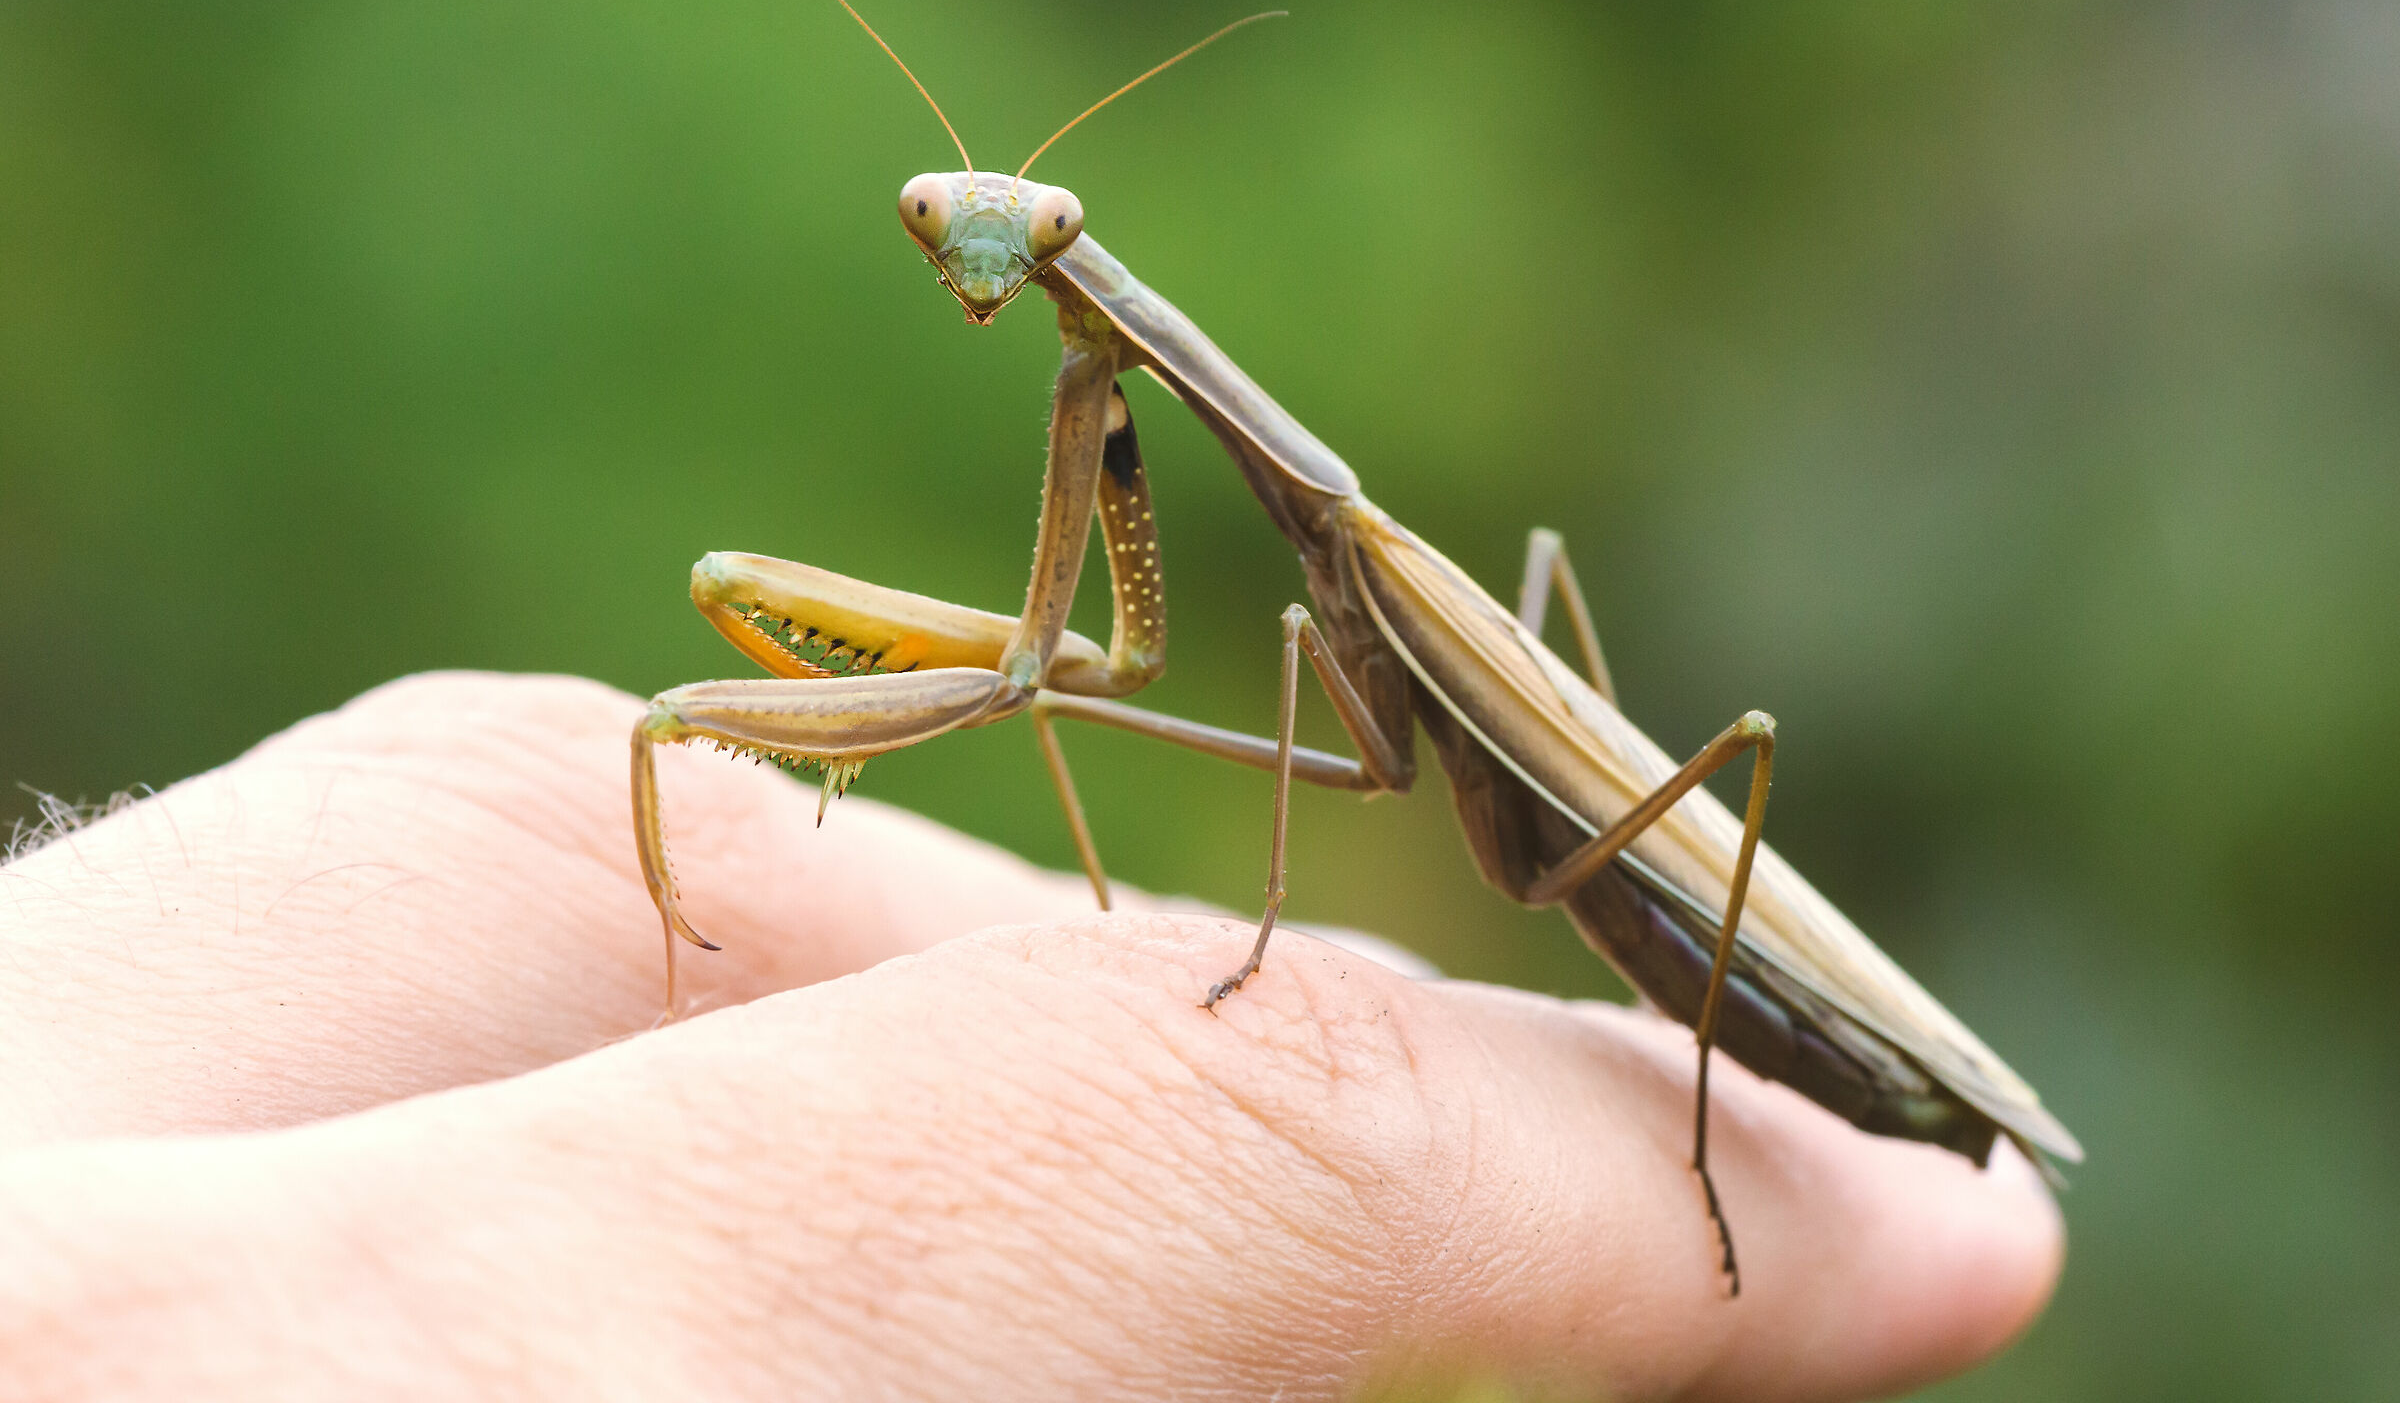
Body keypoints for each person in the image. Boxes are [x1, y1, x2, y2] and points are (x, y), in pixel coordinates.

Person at [0, 673, 2060, 1399]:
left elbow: (1098, 667)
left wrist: (1259, 938)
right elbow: (1063, 663)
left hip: (1734, 956)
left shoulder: (1310, 561)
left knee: (1728, 746)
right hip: (1593, 867)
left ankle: (1705, 1127)